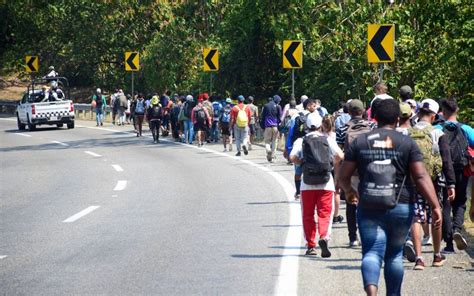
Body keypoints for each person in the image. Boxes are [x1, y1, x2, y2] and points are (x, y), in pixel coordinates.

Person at [339, 99, 442, 296]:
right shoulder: (407, 142)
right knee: (394, 255)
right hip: (401, 205)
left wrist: (350, 191)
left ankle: (371, 291)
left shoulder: (360, 141)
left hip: (368, 204)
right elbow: (420, 176)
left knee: (371, 252)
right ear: (398, 118)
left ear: (374, 117)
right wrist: (435, 205)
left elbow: (343, 176)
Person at [406, 98, 456, 270]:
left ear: (418, 113)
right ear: (434, 116)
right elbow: (446, 161)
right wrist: (451, 184)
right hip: (433, 182)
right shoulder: (437, 133)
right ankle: (436, 255)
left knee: (416, 217)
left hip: (412, 182)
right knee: (436, 214)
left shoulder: (407, 133)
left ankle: (419, 258)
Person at [289, 112, 344, 257]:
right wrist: (330, 163)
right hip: (326, 183)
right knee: (325, 213)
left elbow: (292, 157)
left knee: (307, 215)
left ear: (306, 125)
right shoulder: (327, 139)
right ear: (320, 125)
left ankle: (310, 245)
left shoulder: (301, 140)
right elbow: (340, 156)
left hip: (307, 184)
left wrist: (302, 162)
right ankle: (324, 237)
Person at [435, 98, 474, 252]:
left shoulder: (436, 128)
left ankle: (449, 243)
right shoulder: (466, 129)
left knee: (445, 203)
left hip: (443, 171)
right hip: (462, 169)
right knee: (460, 201)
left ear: (443, 112)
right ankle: (457, 228)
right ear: (457, 111)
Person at [336, 99, 374, 247]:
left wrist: (338, 176)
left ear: (349, 112)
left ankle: (353, 237)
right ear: (363, 111)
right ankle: (368, 235)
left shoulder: (342, 129)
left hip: (350, 171)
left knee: (351, 203)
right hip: (369, 170)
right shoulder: (371, 126)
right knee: (369, 203)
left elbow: (339, 154)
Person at [286, 99, 317, 200]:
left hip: (298, 144)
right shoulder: (315, 116)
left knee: (298, 171)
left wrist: (288, 147)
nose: (315, 107)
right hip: (312, 144)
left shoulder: (296, 115)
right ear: (308, 106)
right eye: (313, 105)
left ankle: (298, 192)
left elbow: (290, 132)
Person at [261, 95, 282, 162]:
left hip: (268, 126)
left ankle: (268, 150)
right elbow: (280, 118)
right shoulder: (278, 106)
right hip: (275, 126)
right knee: (274, 141)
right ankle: (273, 155)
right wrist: (279, 127)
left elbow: (263, 117)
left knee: (267, 141)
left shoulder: (266, 106)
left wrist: (262, 126)